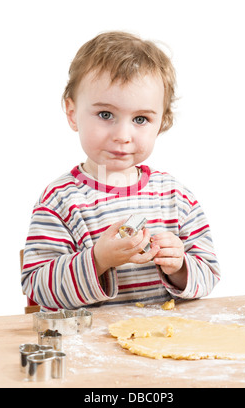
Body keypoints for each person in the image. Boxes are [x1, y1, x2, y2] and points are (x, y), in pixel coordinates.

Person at [21, 31, 220, 311]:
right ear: (72, 112)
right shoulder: (59, 201)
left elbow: (209, 273)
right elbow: (37, 287)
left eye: (141, 119)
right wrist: (98, 259)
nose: (123, 135)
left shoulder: (176, 197)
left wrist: (180, 266)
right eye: (105, 115)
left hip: (161, 346)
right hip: (88, 347)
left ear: (161, 123)